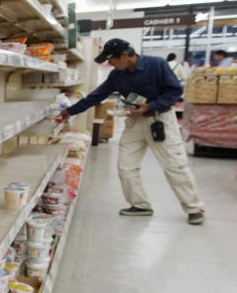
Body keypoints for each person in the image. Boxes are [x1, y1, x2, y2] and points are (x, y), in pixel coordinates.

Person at [58, 38, 204, 224]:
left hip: (159, 120)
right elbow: (97, 95)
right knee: (126, 166)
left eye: (111, 60)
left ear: (125, 55)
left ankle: (194, 208)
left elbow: (174, 92)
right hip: (134, 122)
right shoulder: (117, 75)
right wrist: (70, 111)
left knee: (174, 165)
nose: (109, 64)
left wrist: (149, 106)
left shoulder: (156, 65)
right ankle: (140, 204)